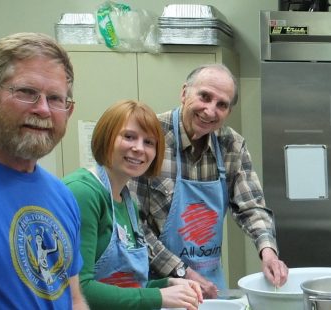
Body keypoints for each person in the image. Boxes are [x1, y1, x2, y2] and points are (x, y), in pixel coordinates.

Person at [130, 64, 287, 298]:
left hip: (210, 283)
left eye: (221, 105)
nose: (210, 111)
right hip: (157, 287)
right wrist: (182, 271)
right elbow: (135, 226)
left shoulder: (231, 145)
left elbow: (251, 206)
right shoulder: (151, 138)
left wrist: (268, 251)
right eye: (204, 97)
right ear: (184, 93)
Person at [0, 32, 88, 309]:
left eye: (56, 99)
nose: (42, 109)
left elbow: (74, 298)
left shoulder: (62, 197)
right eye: (27, 92)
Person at [65, 100, 204, 309]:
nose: (139, 148)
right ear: (106, 137)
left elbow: (125, 285)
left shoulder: (126, 199)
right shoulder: (84, 193)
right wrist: (158, 297)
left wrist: (167, 284)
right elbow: (78, 290)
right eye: (129, 137)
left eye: (149, 142)